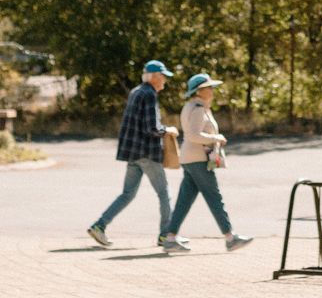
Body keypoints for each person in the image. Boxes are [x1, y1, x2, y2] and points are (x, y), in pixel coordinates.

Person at [87, 59, 184, 251]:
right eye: (163, 76)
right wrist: (169, 130)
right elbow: (152, 128)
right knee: (164, 194)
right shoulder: (149, 95)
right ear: (155, 77)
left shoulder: (136, 91)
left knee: (127, 194)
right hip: (147, 153)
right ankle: (166, 235)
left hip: (133, 154)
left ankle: (100, 226)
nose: (164, 80)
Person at [166, 73, 252, 250]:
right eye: (209, 87)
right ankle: (230, 237)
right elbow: (194, 135)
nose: (212, 90)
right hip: (198, 159)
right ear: (200, 91)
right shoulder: (198, 109)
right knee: (214, 197)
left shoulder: (191, 106)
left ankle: (170, 238)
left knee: (184, 200)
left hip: (189, 159)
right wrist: (216, 138)